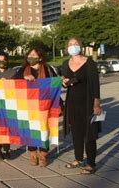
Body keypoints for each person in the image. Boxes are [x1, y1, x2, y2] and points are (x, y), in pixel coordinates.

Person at [61, 38, 101, 174]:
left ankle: (91, 163)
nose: (73, 46)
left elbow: (95, 85)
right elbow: (63, 81)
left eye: (76, 44)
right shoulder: (66, 63)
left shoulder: (89, 63)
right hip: (72, 103)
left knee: (89, 134)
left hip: (88, 102)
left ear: (81, 46)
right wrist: (64, 82)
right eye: (70, 44)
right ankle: (78, 158)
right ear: (67, 48)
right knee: (76, 133)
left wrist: (96, 104)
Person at [13, 48, 57, 167]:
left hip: (44, 105)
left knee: (44, 130)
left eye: (34, 55)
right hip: (29, 106)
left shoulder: (48, 69)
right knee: (31, 130)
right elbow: (12, 83)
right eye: (29, 55)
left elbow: (55, 82)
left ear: (40, 57)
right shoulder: (23, 70)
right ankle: (33, 154)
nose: (31, 57)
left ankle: (43, 154)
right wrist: (24, 78)